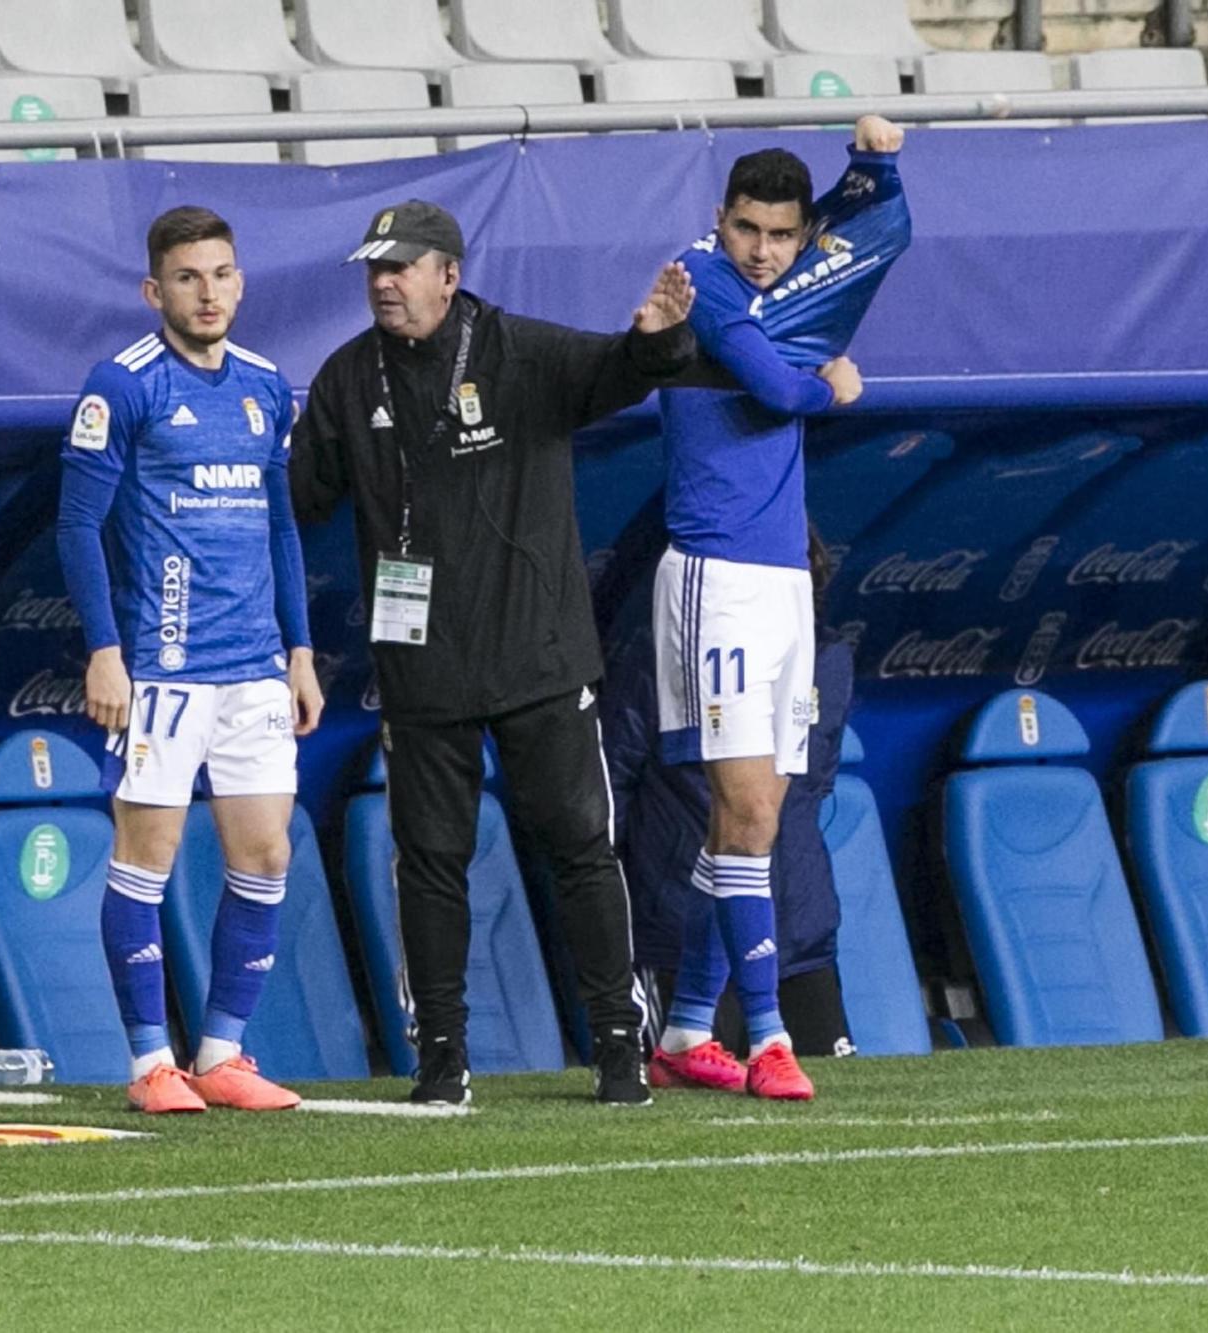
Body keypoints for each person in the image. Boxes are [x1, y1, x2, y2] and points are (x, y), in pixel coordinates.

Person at [290, 199, 697, 1106]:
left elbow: (613, 371)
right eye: (374, 270)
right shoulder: (348, 378)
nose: (384, 284)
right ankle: (441, 1058)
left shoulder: (517, 351)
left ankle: (618, 1046)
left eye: (401, 268)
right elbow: (298, 499)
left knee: (581, 847)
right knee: (430, 860)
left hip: (538, 654)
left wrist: (656, 340)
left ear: (449, 273)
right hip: (423, 666)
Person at [650, 116, 910, 1099]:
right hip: (713, 576)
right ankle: (765, 1038)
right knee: (747, 808)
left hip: (780, 590)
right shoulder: (698, 279)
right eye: (747, 228)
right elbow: (769, 389)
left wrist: (872, 166)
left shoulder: (784, 287)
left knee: (751, 822)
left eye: (780, 236)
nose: (761, 251)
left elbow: (870, 236)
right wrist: (829, 385)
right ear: (719, 221)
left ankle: (682, 1028)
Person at [57, 205, 324, 1115]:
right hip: (163, 665)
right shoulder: (121, 384)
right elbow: (78, 524)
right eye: (187, 277)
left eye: (221, 275)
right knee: (150, 852)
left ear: (240, 282)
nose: (207, 293)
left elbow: (282, 525)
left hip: (255, 667)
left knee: (264, 852)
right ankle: (148, 1063)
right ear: (153, 290)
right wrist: (105, 650)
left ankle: (222, 1051)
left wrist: (300, 649)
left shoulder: (265, 386)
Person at [605, 524, 857, 1066]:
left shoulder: (828, 660)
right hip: (683, 932)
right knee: (688, 1109)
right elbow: (610, 788)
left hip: (799, 930)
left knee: (827, 1106)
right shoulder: (661, 657)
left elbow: (818, 779)